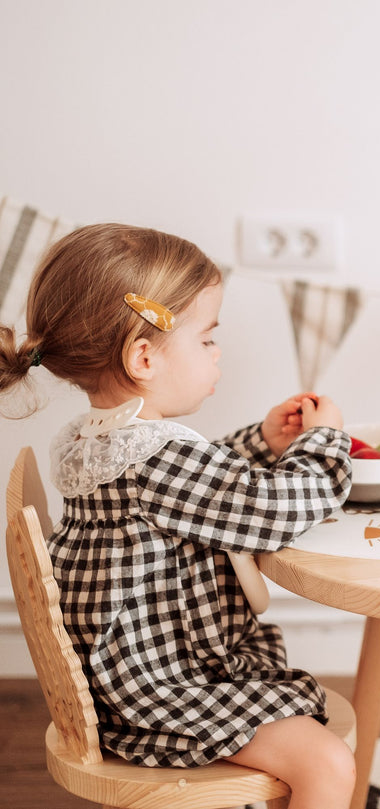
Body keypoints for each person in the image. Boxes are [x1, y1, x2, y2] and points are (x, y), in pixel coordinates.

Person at [0, 223, 356, 809]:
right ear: (144, 356)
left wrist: (262, 443)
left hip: (129, 676)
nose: (217, 354)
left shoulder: (99, 441)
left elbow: (201, 492)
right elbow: (271, 512)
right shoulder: (158, 460)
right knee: (327, 763)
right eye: (207, 339)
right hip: (163, 688)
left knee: (313, 740)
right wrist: (323, 445)